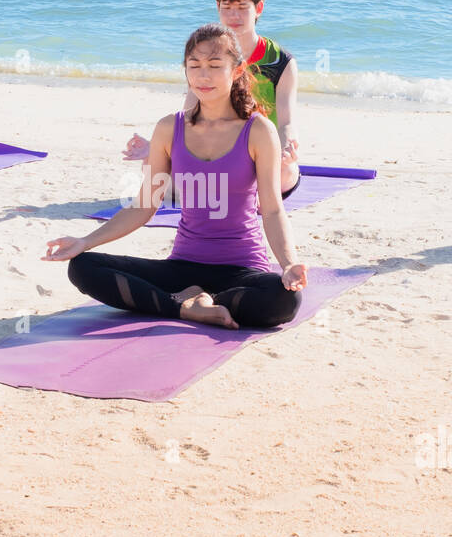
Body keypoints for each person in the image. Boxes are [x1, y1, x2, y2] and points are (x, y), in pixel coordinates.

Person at [45, 23, 307, 329]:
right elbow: (145, 205)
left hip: (241, 270)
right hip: (182, 267)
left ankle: (190, 300)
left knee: (285, 299)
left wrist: (288, 264)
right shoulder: (170, 128)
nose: (202, 76)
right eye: (194, 66)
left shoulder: (258, 130)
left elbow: (273, 209)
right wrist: (85, 241)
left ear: (236, 71)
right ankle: (187, 308)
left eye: (214, 66)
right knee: (83, 266)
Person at [123, 0, 302, 198]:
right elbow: (188, 114)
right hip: (215, 152)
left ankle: (236, 191)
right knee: (151, 170)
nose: (233, 17)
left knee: (287, 171)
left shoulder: (281, 62)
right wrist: (158, 147)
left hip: (262, 155)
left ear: (258, 8)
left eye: (241, 8)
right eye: (226, 8)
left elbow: (286, 122)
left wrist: (287, 147)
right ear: (218, 8)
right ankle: (231, 192)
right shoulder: (205, 56)